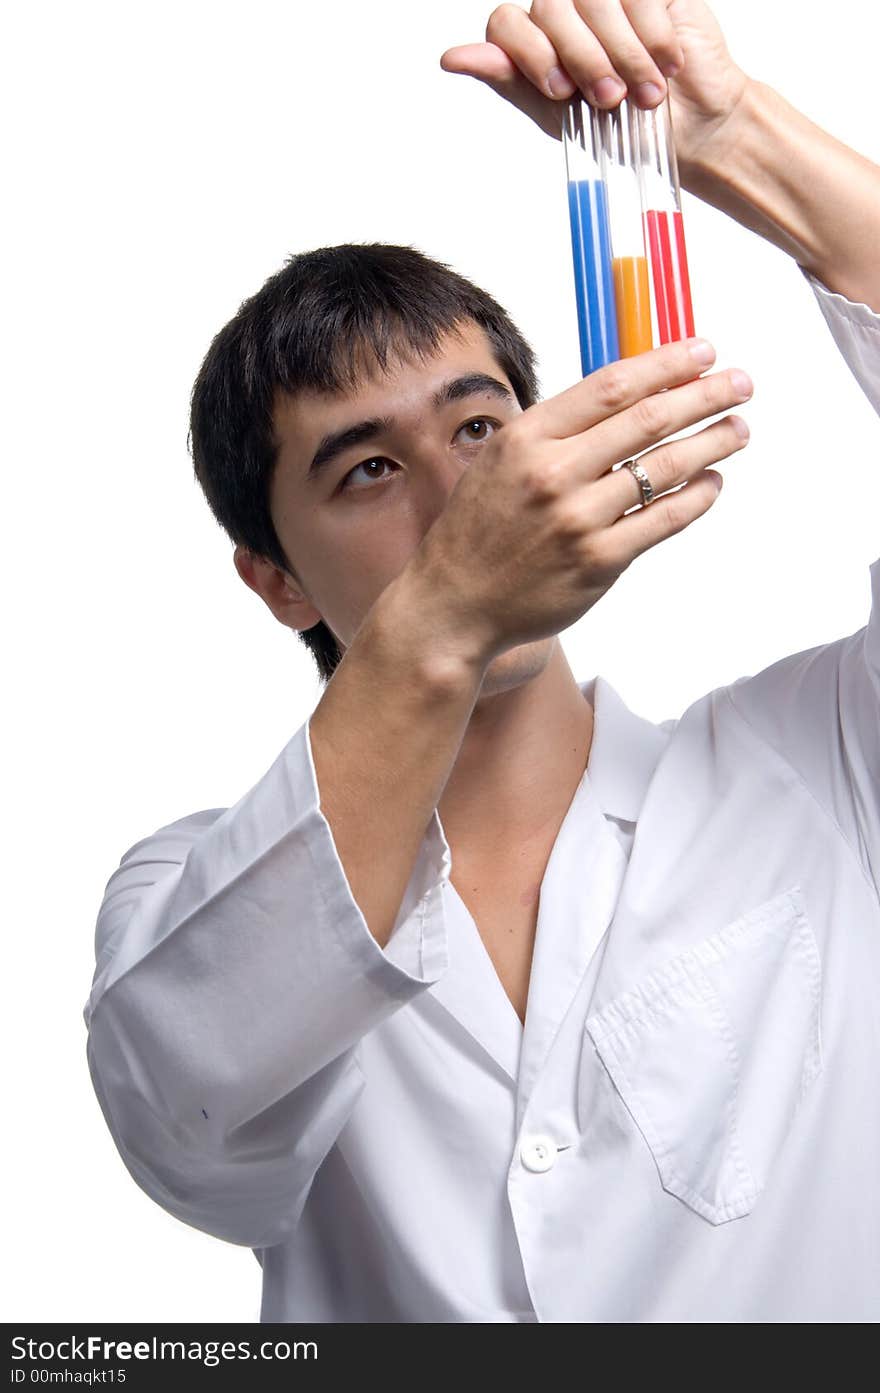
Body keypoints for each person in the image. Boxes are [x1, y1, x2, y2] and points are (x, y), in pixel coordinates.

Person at [83, 0, 880, 1322]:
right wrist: (442, 620)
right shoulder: (184, 893)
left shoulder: (827, 761)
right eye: (370, 468)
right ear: (274, 579)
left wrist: (738, 140)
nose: (464, 499)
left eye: (481, 428)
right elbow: (191, 1125)